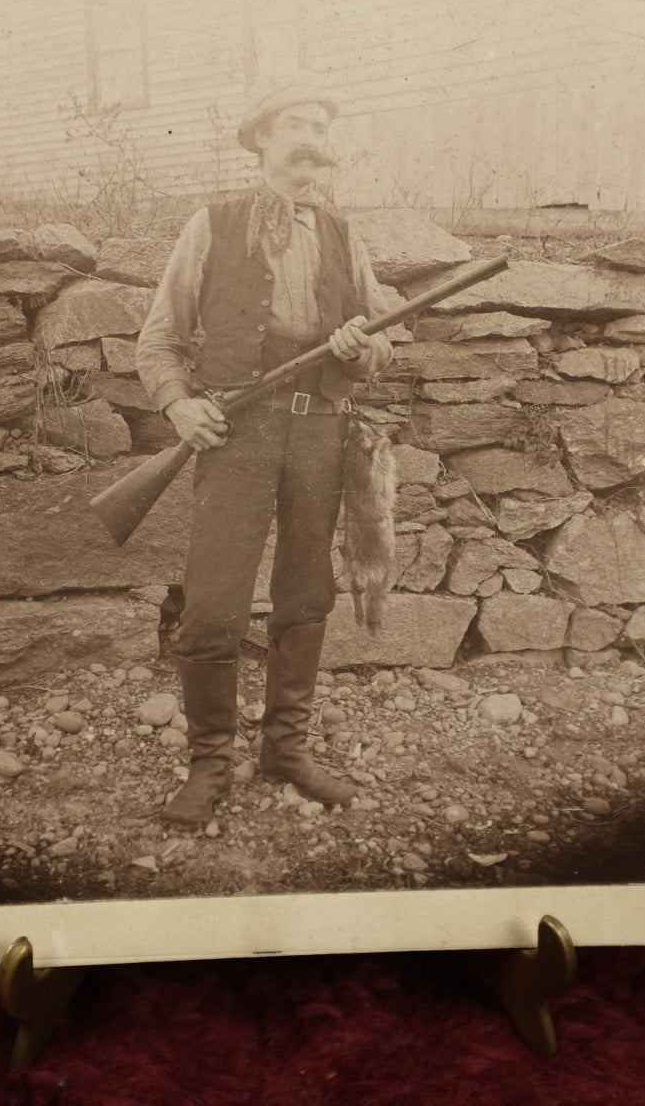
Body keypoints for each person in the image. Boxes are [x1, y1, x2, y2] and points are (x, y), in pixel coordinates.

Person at [136, 81, 393, 829]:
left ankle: (286, 750)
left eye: (321, 123)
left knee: (307, 596)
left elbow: (386, 341)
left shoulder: (345, 233)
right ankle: (209, 764)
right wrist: (181, 404)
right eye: (296, 123)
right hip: (237, 436)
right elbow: (157, 339)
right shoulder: (212, 225)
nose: (312, 135)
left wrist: (363, 343)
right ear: (260, 141)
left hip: (322, 432)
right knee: (213, 606)